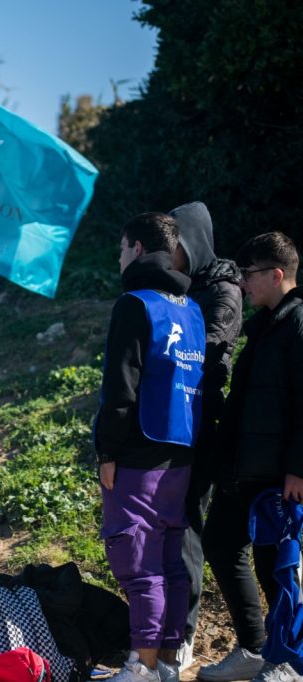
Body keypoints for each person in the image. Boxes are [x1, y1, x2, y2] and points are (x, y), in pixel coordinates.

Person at [93, 212, 205, 682]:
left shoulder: (134, 304)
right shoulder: (191, 308)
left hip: (138, 455)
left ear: (138, 249)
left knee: (137, 560)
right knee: (170, 561)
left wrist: (106, 452)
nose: (119, 258)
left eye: (122, 249)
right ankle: (167, 663)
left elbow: (121, 388)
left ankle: (143, 665)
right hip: (181, 452)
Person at [198, 232, 303, 682]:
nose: (241, 283)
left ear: (277, 275)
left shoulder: (298, 323)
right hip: (245, 468)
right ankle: (255, 648)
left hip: (280, 474)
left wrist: (298, 467)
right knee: (221, 543)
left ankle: (290, 661)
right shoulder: (266, 324)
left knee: (276, 566)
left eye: (250, 273)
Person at [167, 201, 243, 672]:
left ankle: (186, 634)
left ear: (192, 241)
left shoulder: (224, 289)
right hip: (174, 418)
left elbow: (214, 343)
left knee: (189, 530)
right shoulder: (187, 285)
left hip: (203, 422)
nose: (167, 252)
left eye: (173, 243)